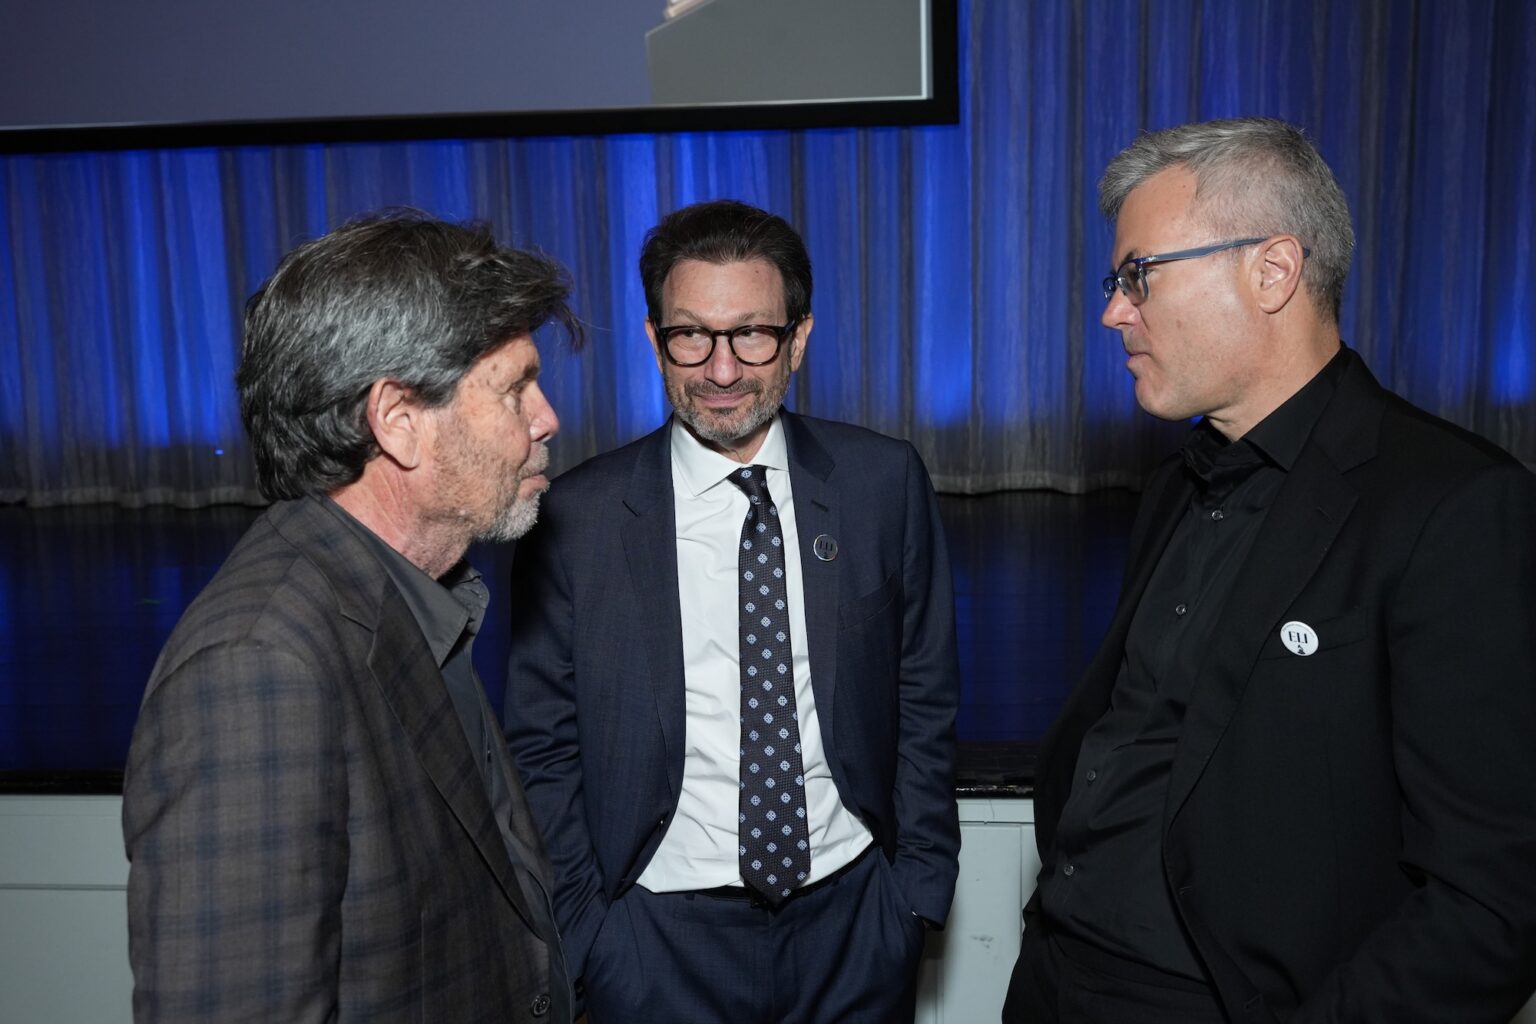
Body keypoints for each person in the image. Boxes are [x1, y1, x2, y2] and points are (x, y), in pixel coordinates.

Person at [1003, 117, 1536, 1023]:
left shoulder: (1455, 507)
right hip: (1056, 980)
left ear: (1273, 271)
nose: (1112, 311)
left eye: (1139, 275)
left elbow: (1492, 901)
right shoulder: (1179, 480)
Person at [504, 198, 961, 1023]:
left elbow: (924, 691)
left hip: (856, 927)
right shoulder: (575, 519)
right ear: (653, 340)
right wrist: (591, 936)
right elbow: (540, 745)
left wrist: (915, 896)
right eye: (692, 336)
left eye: (753, 333)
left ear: (800, 339)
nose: (722, 370)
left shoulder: (881, 485)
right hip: (653, 947)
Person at [122, 211, 580, 1023]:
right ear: (397, 420)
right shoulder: (257, 668)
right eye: (515, 387)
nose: (545, 419)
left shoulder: (415, 597)